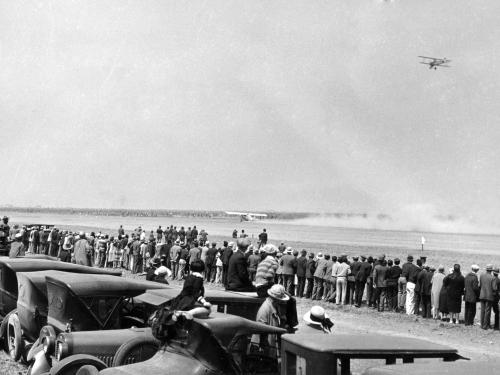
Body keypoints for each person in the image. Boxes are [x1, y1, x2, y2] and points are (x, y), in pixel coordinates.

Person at [256, 284, 289, 349]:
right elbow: (262, 331)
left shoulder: (274, 306)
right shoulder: (265, 309)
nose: (281, 301)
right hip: (266, 347)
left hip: (272, 344)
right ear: (276, 299)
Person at [479, 264, 497, 330]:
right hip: (489, 296)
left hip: (482, 295)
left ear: (486, 269)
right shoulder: (493, 278)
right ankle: (485, 326)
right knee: (487, 311)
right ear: (491, 270)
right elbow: (494, 288)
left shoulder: (482, 275)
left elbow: (480, 285)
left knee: (482, 311)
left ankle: (482, 324)